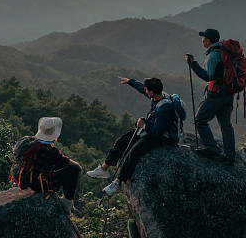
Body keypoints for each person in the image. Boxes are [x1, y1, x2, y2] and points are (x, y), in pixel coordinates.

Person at [86, 77, 179, 196]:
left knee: (134, 151)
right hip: (150, 128)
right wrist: (130, 81)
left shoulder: (165, 108)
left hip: (161, 137)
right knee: (121, 141)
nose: (144, 91)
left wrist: (143, 126)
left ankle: (118, 182)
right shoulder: (157, 96)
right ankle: (104, 169)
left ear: (151, 92)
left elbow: (157, 132)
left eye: (146, 89)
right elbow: (141, 88)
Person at [186, 28, 236, 162]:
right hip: (228, 94)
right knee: (226, 125)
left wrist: (193, 64)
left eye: (203, 38)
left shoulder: (213, 54)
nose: (202, 40)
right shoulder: (225, 51)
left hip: (216, 95)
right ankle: (230, 155)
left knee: (200, 120)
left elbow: (207, 76)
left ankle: (212, 148)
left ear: (208, 41)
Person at [16, 117, 82, 214]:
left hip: (29, 179)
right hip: (40, 184)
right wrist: (79, 166)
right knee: (74, 169)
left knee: (62, 167)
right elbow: (66, 161)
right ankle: (68, 202)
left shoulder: (31, 142)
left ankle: (68, 201)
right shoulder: (50, 149)